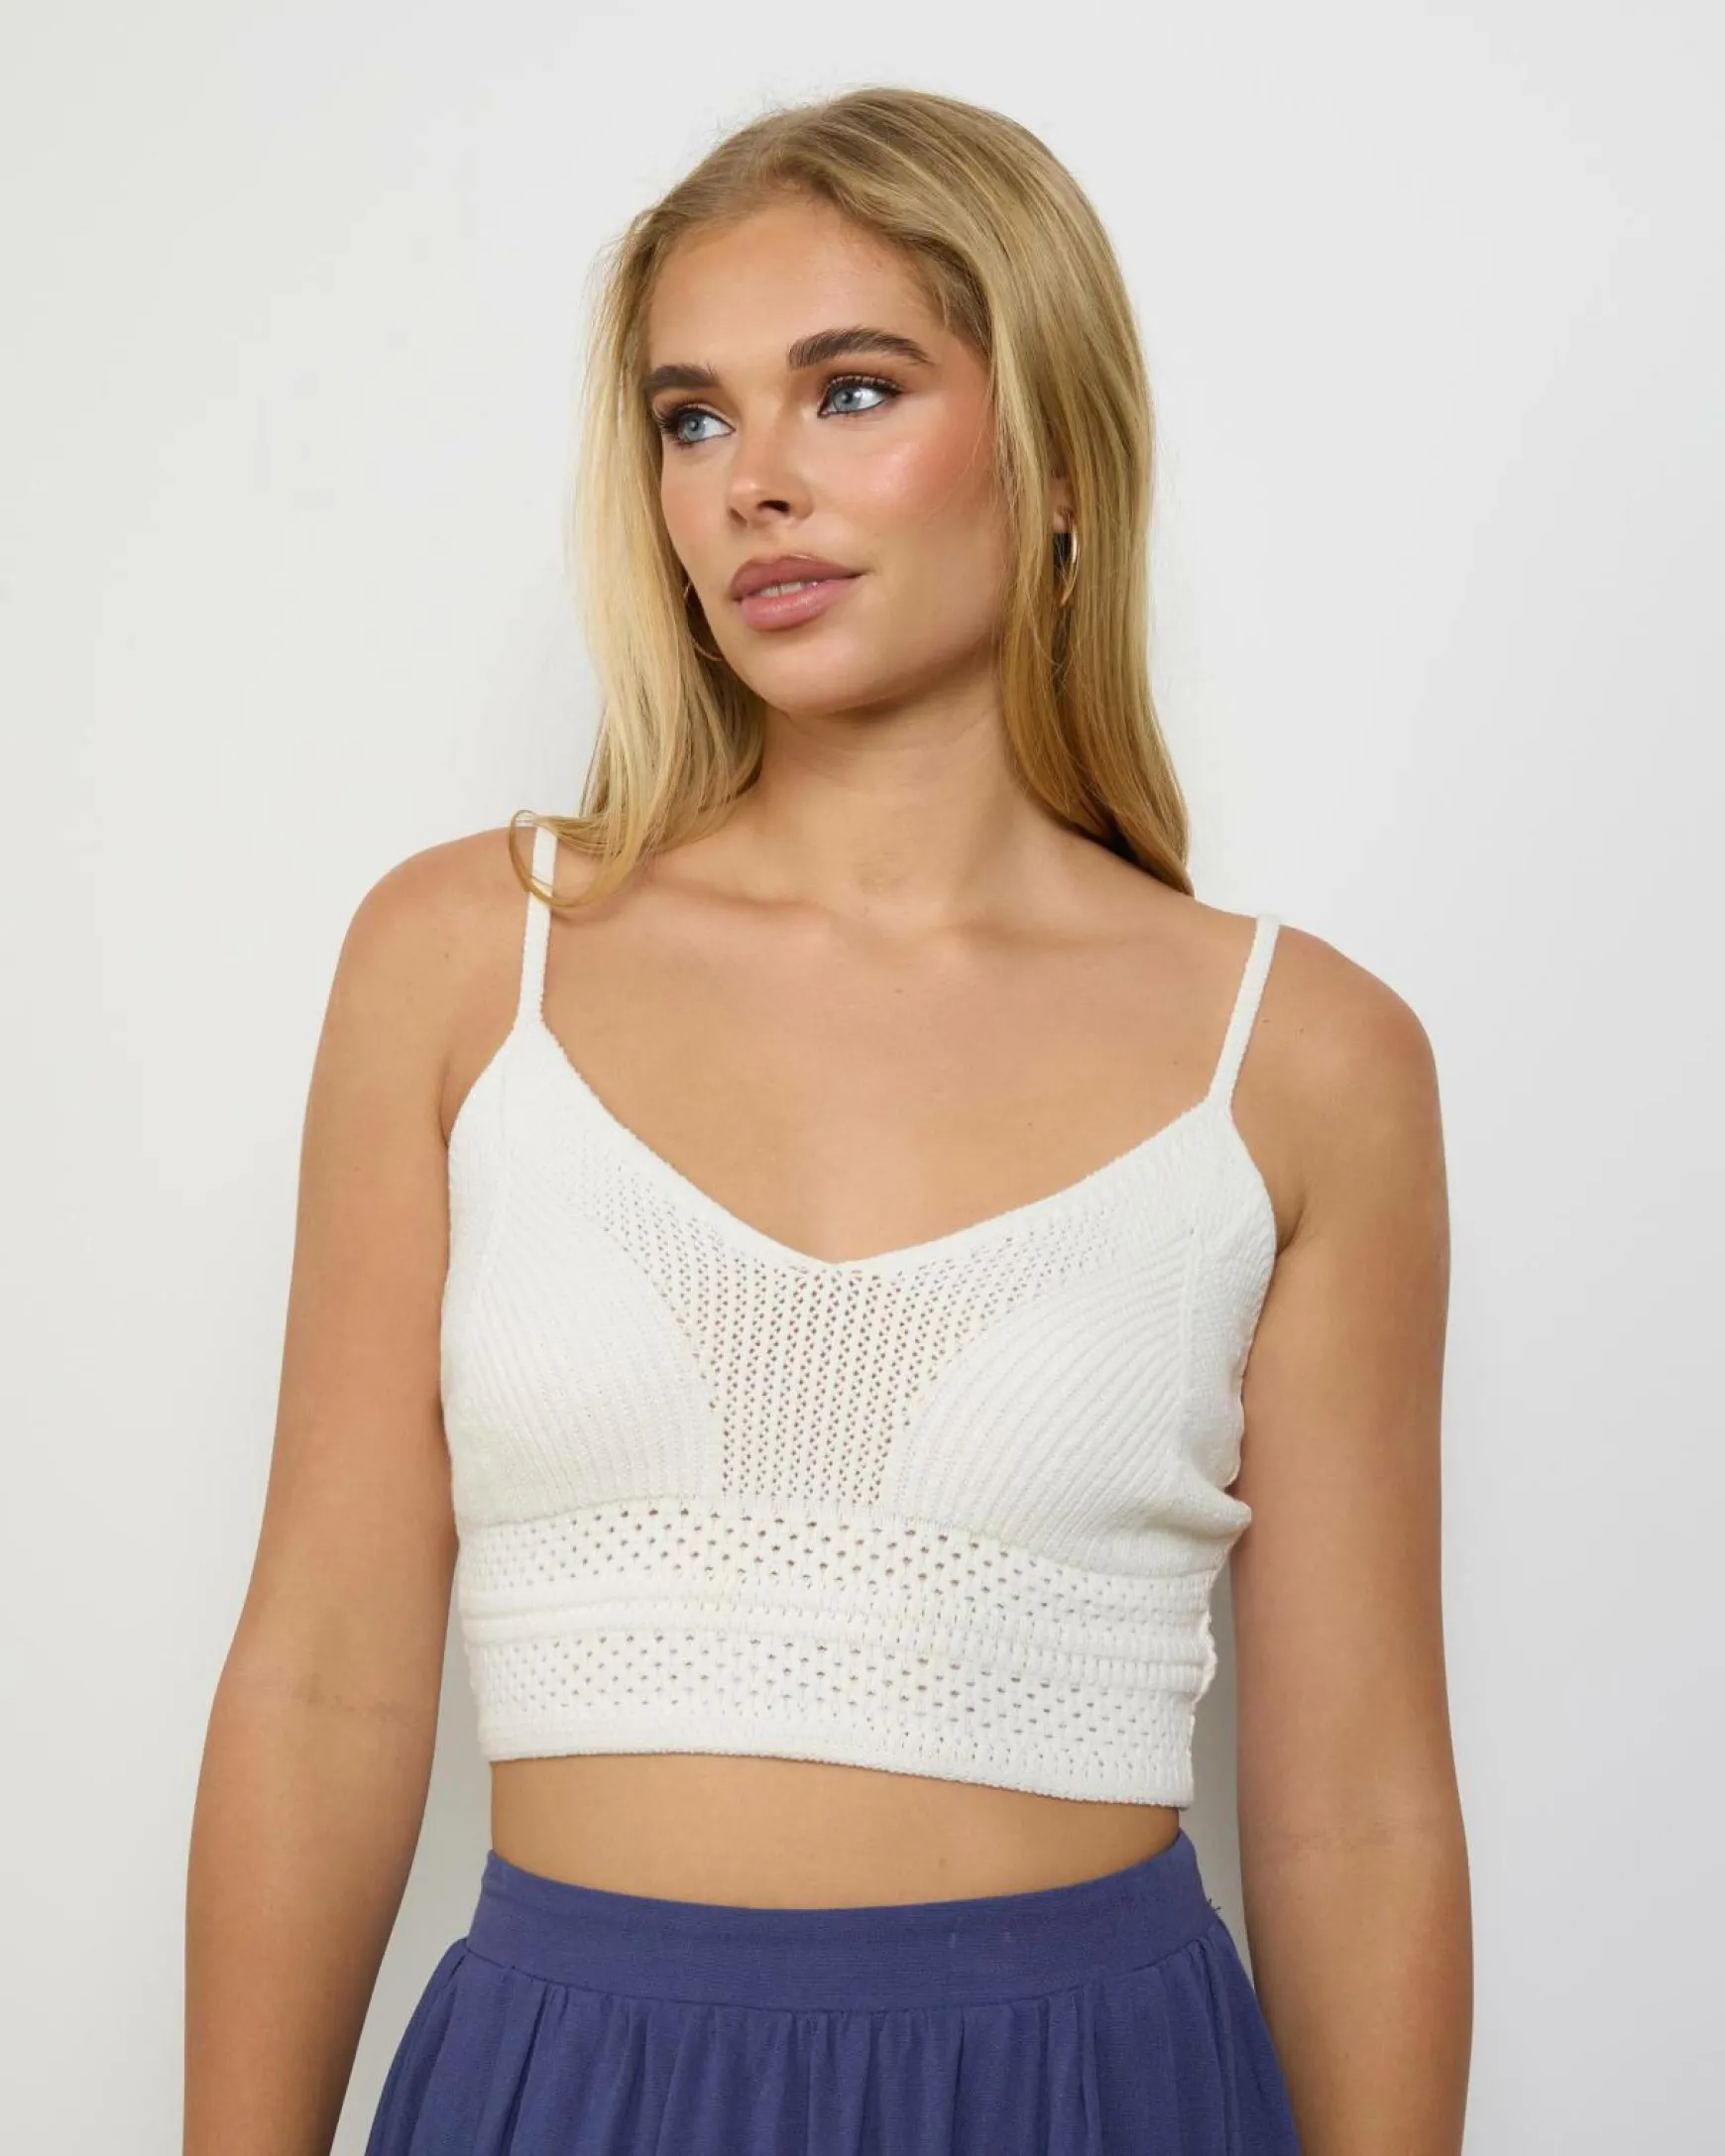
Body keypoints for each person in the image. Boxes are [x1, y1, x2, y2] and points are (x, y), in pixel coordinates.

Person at [183, 84, 1470, 2156]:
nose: (752, 483)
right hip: (567, 2091)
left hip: (1087, 2097)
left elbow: (1361, 1809)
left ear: (1058, 454)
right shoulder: (467, 962)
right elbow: (321, 1678)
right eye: (692, 419)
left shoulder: (1305, 1060)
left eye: (850, 391)